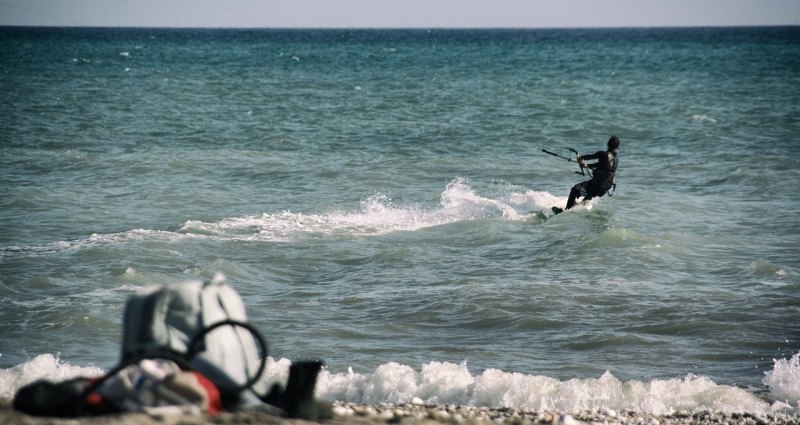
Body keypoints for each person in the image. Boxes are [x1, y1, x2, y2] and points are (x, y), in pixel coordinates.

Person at [552, 136, 620, 214]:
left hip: (595, 186)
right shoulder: (616, 159)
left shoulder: (603, 154)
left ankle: (566, 210)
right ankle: (580, 206)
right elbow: (603, 166)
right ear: (617, 147)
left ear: (608, 144)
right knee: (590, 193)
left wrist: (580, 158)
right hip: (605, 188)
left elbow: (591, 157)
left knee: (574, 190)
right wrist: (588, 166)